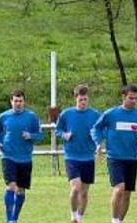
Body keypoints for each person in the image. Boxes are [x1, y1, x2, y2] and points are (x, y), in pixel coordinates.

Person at [92, 84, 137, 223]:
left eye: (136, 98)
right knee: (119, 189)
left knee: (127, 194)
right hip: (115, 158)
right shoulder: (111, 114)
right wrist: (98, 143)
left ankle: (120, 221)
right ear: (123, 97)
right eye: (131, 98)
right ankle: (114, 220)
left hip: (132, 158)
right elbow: (96, 129)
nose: (134, 101)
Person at [0, 90, 43, 223]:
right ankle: (9, 219)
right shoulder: (3, 116)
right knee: (11, 186)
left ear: (24, 102)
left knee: (20, 190)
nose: (18, 103)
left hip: (25, 158)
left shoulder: (31, 117)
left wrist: (30, 136)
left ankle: (14, 218)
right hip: (8, 155)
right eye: (15, 101)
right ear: (11, 102)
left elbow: (40, 135)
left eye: (20, 101)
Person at [55, 84, 100, 223]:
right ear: (75, 98)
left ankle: (79, 219)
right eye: (80, 99)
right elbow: (57, 130)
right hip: (72, 156)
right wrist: (65, 135)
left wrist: (98, 143)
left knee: (84, 192)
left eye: (85, 99)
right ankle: (73, 215)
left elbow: (101, 130)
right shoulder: (66, 114)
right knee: (76, 187)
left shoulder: (95, 115)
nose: (83, 102)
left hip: (88, 157)